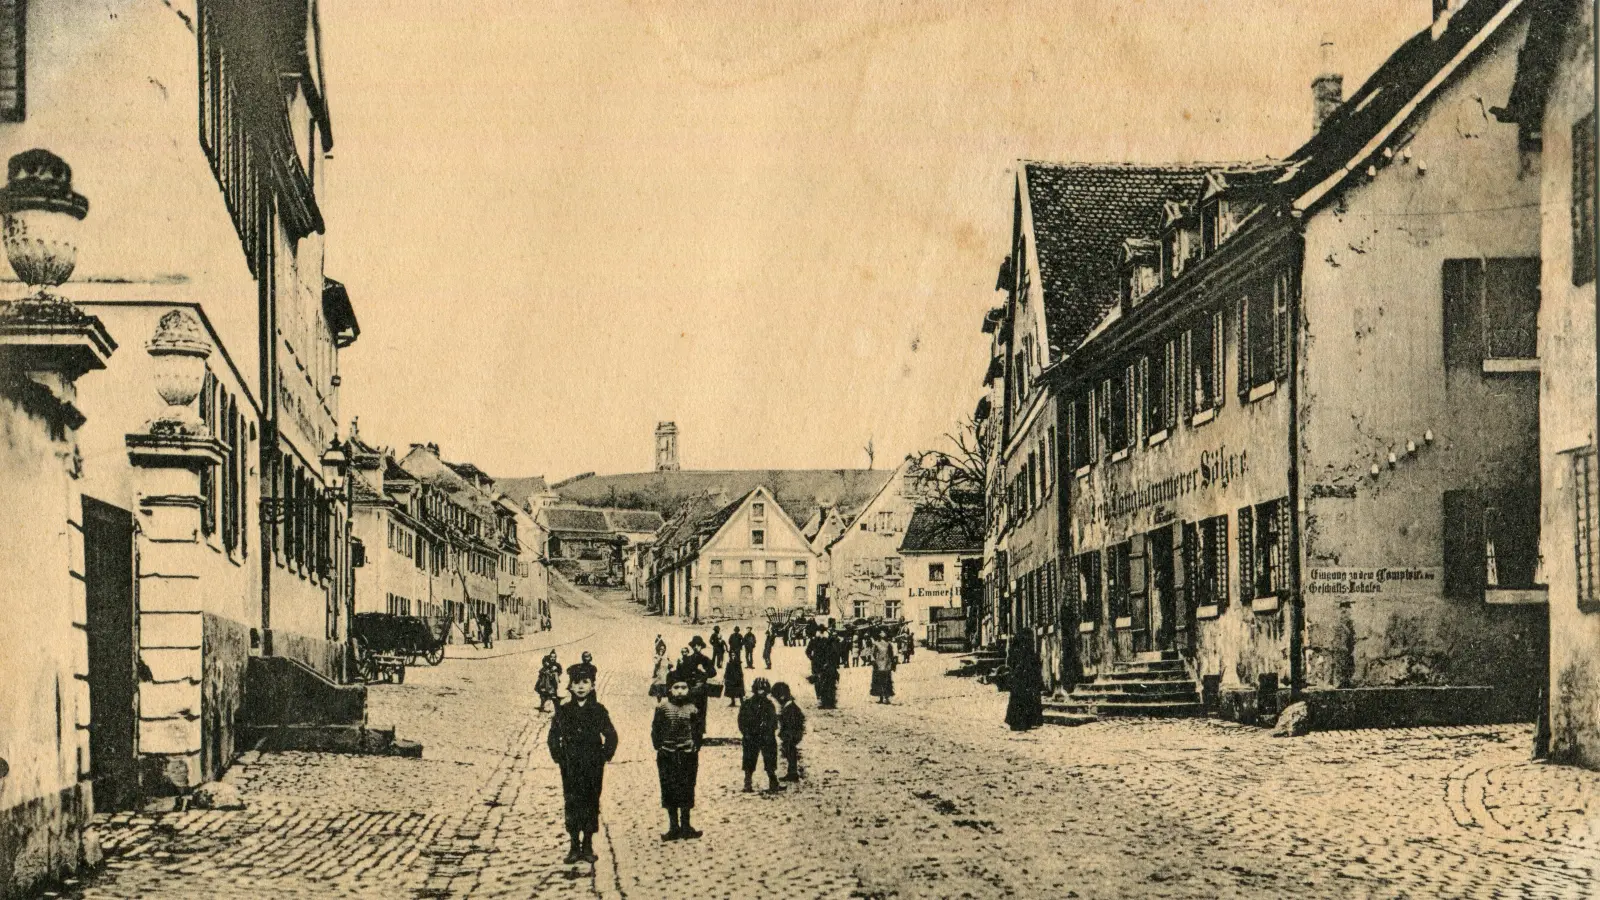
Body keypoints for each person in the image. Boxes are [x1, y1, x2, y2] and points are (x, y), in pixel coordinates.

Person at [547, 661, 618, 864]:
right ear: (570, 686)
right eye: (576, 682)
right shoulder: (564, 711)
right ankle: (573, 845)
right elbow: (553, 736)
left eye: (585, 682)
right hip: (570, 764)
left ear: (592, 685)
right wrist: (559, 757)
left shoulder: (598, 711)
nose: (580, 686)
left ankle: (587, 845)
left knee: (590, 801)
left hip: (592, 764)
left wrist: (604, 756)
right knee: (572, 801)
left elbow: (611, 735)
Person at [652, 677, 703, 841]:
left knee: (687, 788)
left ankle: (686, 826)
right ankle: (673, 827)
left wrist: (695, 747)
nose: (680, 690)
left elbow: (698, 730)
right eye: (676, 687)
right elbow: (656, 730)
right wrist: (660, 747)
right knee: (669, 789)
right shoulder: (662, 708)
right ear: (670, 690)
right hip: (668, 755)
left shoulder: (693, 709)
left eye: (683, 687)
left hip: (688, 754)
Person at [737, 677, 783, 793]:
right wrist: (746, 733)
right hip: (751, 736)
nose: (761, 692)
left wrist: (770, 731)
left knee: (770, 760)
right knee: (749, 760)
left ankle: (773, 782)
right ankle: (747, 783)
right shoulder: (747, 704)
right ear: (754, 690)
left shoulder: (769, 705)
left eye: (763, 690)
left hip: (766, 736)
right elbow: (741, 720)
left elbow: (774, 722)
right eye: (758, 689)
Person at [675, 636, 718, 740]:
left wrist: (703, 671)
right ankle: (688, 733)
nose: (696, 647)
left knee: (700, 711)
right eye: (694, 645)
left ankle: (699, 734)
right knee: (688, 710)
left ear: (701, 647)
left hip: (701, 689)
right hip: (690, 688)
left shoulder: (705, 659)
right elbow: (681, 673)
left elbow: (713, 672)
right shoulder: (688, 659)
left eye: (698, 645)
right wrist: (679, 665)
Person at [1004, 630, 1045, 732]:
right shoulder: (1028, 652)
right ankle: (1025, 722)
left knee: (1019, 701)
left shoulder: (1015, 650)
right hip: (1024, 681)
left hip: (1019, 681)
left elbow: (1010, 663)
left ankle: (1018, 722)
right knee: (1025, 701)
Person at [772, 681, 805, 781]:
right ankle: (792, 772)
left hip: (791, 735)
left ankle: (793, 773)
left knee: (790, 752)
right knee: (789, 752)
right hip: (791, 734)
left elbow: (792, 723)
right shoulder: (790, 706)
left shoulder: (790, 709)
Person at [806, 625, 840, 709]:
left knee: (823, 682)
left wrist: (812, 658)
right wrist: (812, 658)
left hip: (821, 664)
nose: (820, 633)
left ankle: (823, 700)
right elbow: (808, 651)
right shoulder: (820, 640)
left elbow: (808, 651)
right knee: (821, 681)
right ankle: (823, 700)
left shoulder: (820, 640)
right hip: (821, 664)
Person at [868, 628, 897, 704]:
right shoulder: (876, 643)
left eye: (884, 632)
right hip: (879, 664)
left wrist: (893, 663)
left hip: (887, 664)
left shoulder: (889, 644)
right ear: (879, 635)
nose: (883, 633)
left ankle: (886, 697)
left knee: (887, 680)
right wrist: (873, 661)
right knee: (879, 680)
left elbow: (892, 655)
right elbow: (872, 654)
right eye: (881, 632)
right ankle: (881, 697)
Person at [724, 634, 747, 707]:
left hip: (737, 678)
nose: (733, 656)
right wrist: (725, 677)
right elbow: (727, 671)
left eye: (734, 655)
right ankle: (733, 702)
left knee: (739, 690)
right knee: (731, 690)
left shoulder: (738, 663)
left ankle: (742, 702)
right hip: (731, 678)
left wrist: (741, 676)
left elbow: (740, 671)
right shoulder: (729, 663)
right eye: (732, 655)